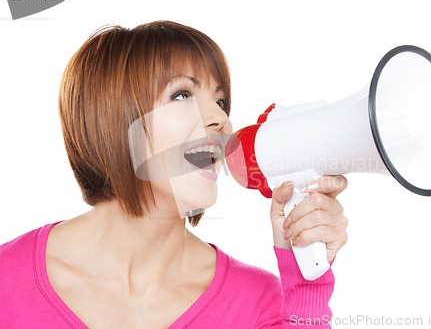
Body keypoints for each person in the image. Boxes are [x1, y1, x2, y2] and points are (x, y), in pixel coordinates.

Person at [0, 20, 348, 328]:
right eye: (182, 94)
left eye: (221, 101)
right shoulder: (7, 280)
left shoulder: (257, 303)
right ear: (112, 120)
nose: (220, 120)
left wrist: (307, 282)